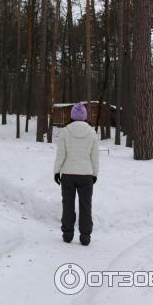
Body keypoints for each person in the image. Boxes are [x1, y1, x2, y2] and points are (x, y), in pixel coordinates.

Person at [53, 102, 99, 246]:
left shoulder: (65, 131)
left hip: (68, 174)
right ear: (84, 116)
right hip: (86, 174)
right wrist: (95, 173)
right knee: (86, 206)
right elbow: (95, 156)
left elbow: (61, 154)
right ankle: (85, 237)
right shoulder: (92, 133)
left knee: (68, 205)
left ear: (72, 116)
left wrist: (57, 171)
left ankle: (67, 234)